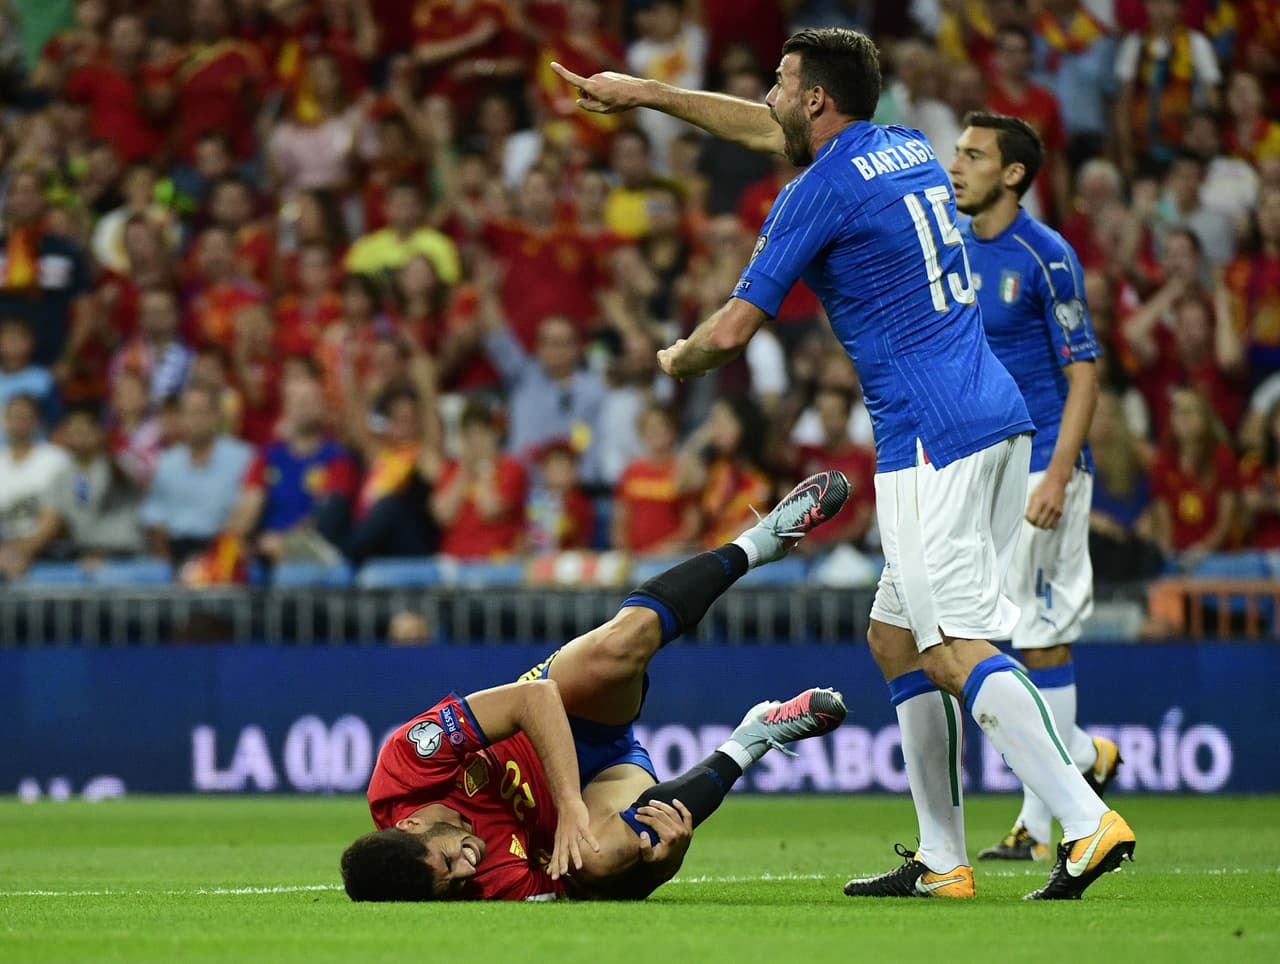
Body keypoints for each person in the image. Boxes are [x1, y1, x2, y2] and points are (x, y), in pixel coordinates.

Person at [551, 26, 1135, 901]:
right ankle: (944, 860)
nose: (773, 97)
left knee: (947, 647)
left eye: (782, 84)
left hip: (934, 436)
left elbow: (733, 331)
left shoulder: (810, 194)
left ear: (816, 99)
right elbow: (766, 128)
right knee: (895, 637)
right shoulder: (901, 146)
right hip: (990, 415)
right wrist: (649, 93)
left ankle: (1085, 823)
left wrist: (675, 360)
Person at [340, 470, 852, 901]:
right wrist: (659, 867)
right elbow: (598, 891)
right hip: (604, 780)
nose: (465, 872)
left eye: (447, 860)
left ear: (408, 827)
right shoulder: (487, 885)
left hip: (565, 714)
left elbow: (534, 698)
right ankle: (756, 737)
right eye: (449, 886)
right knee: (606, 857)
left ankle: (760, 543)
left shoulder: (406, 765)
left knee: (617, 649)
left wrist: (567, 805)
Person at [946, 112, 1124, 862]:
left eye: (973, 155)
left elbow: (1085, 373)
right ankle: (1083, 757)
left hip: (1043, 463)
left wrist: (1057, 473)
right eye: (956, 151)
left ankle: (1038, 826)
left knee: (1042, 635)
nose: (956, 165)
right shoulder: (952, 249)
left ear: (1013, 174)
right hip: (978, 465)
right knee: (983, 636)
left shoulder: (1047, 256)